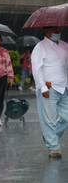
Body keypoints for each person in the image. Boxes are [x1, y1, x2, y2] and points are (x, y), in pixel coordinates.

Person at [31, 26, 68, 159]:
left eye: (58, 29)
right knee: (49, 119)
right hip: (49, 87)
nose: (57, 32)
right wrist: (43, 87)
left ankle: (50, 136)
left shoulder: (64, 45)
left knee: (66, 117)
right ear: (46, 31)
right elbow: (36, 68)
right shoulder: (40, 47)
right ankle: (53, 147)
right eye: (54, 29)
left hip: (64, 86)